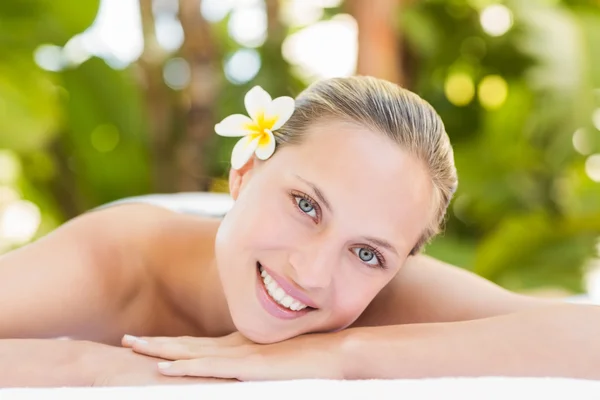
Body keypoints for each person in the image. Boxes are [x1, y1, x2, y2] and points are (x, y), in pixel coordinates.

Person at [0, 76, 598, 387]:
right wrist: (91, 368)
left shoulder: (380, 292)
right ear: (244, 171)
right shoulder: (114, 259)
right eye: (307, 206)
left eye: (367, 253)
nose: (311, 272)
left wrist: (339, 355)